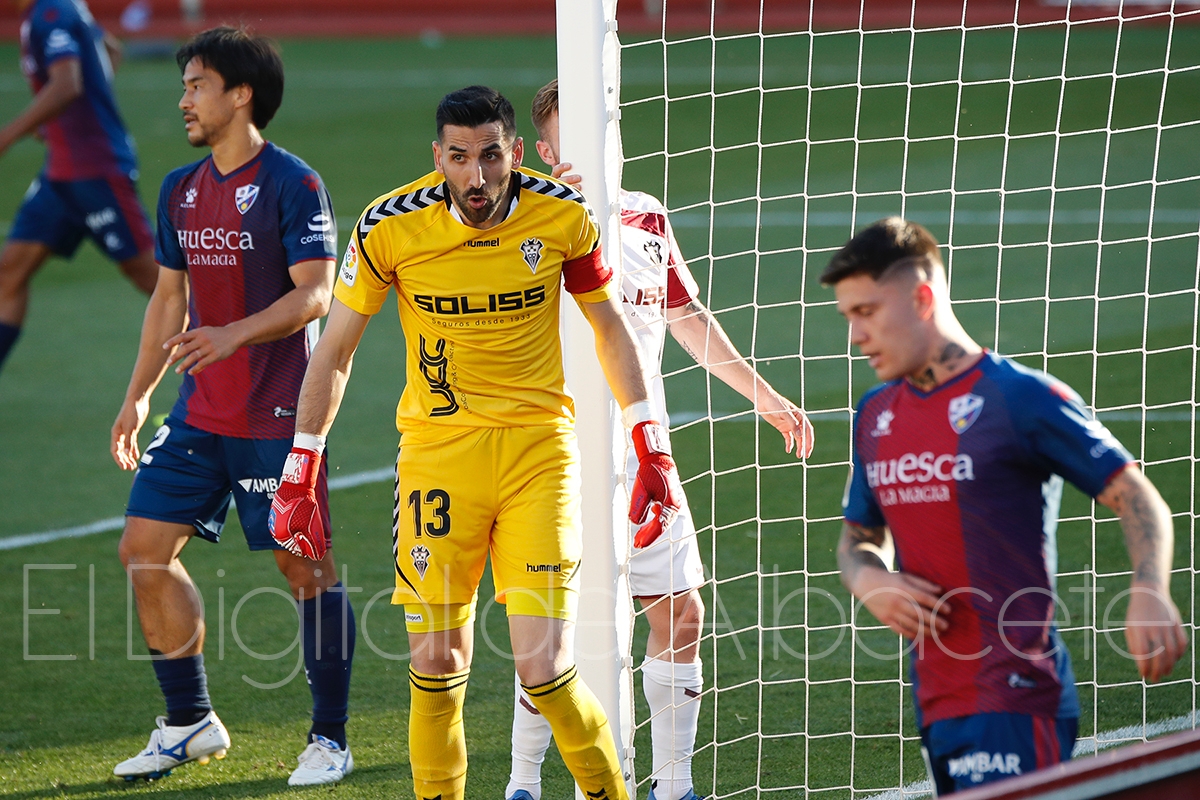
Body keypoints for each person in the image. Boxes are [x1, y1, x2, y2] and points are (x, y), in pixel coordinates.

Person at [268, 85, 683, 800]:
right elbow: (333, 349)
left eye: (491, 155)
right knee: (435, 667)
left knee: (545, 671)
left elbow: (609, 326)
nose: (477, 175)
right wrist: (301, 461)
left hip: (538, 458)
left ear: (515, 152)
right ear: (438, 157)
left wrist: (651, 443)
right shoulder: (389, 226)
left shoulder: (563, 214)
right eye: (459, 157)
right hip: (438, 463)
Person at [503, 79, 815, 800]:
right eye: (572, 136)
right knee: (552, 632)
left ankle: (674, 788)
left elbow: (685, 317)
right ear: (544, 150)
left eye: (601, 128)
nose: (592, 145)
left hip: (644, 457)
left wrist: (765, 397)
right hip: (553, 458)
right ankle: (523, 784)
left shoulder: (646, 216)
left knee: (681, 612)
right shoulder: (522, 217)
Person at [825, 218, 1187, 794]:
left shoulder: (1020, 397)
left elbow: (1135, 494)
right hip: (937, 699)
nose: (855, 335)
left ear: (922, 299)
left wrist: (1149, 587)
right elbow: (857, 540)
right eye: (848, 316)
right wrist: (870, 579)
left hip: (1018, 692)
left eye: (866, 312)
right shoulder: (874, 415)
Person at [109, 27, 354, 786]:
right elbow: (168, 298)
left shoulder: (294, 184)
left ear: (241, 94)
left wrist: (232, 334)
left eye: (197, 85)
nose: (184, 99)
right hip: (198, 413)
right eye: (184, 86)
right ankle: (189, 723)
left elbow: (316, 294)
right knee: (143, 550)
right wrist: (138, 396)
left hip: (278, 412)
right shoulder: (180, 189)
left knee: (303, 567)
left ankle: (330, 739)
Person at [0, 0, 157, 374]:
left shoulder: (50, 12)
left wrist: (7, 136)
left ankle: (244, 349)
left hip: (95, 168)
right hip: (60, 172)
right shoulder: (56, 9)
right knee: (9, 272)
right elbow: (110, 50)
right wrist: (61, 121)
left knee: (155, 280)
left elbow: (67, 83)